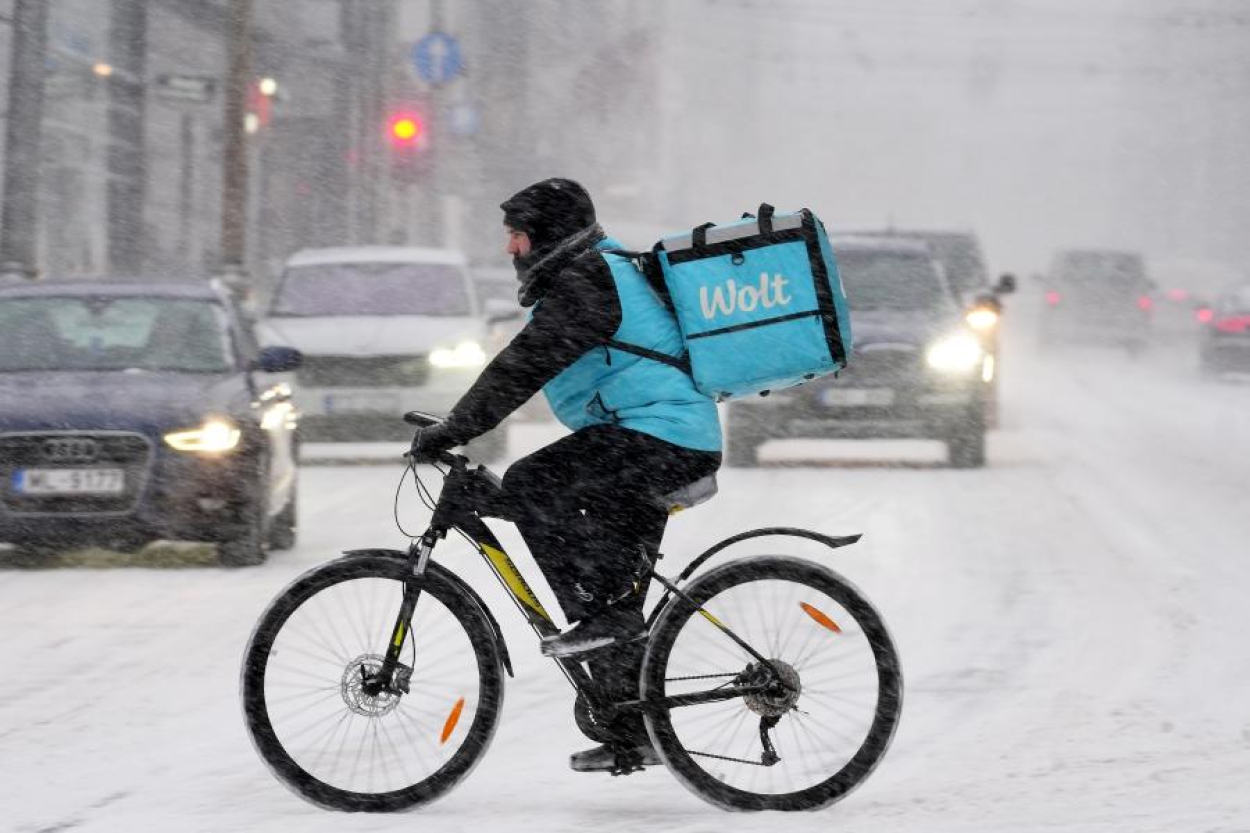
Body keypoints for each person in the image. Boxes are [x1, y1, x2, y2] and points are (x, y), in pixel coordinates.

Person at [409, 178, 722, 772]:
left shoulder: (590, 282)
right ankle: (634, 728)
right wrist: (461, 424)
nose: (511, 250)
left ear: (547, 236)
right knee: (597, 593)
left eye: (518, 236)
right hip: (658, 438)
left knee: (533, 485)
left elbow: (525, 364)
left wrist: (456, 427)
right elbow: (527, 361)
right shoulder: (585, 276)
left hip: (665, 439)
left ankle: (608, 616)